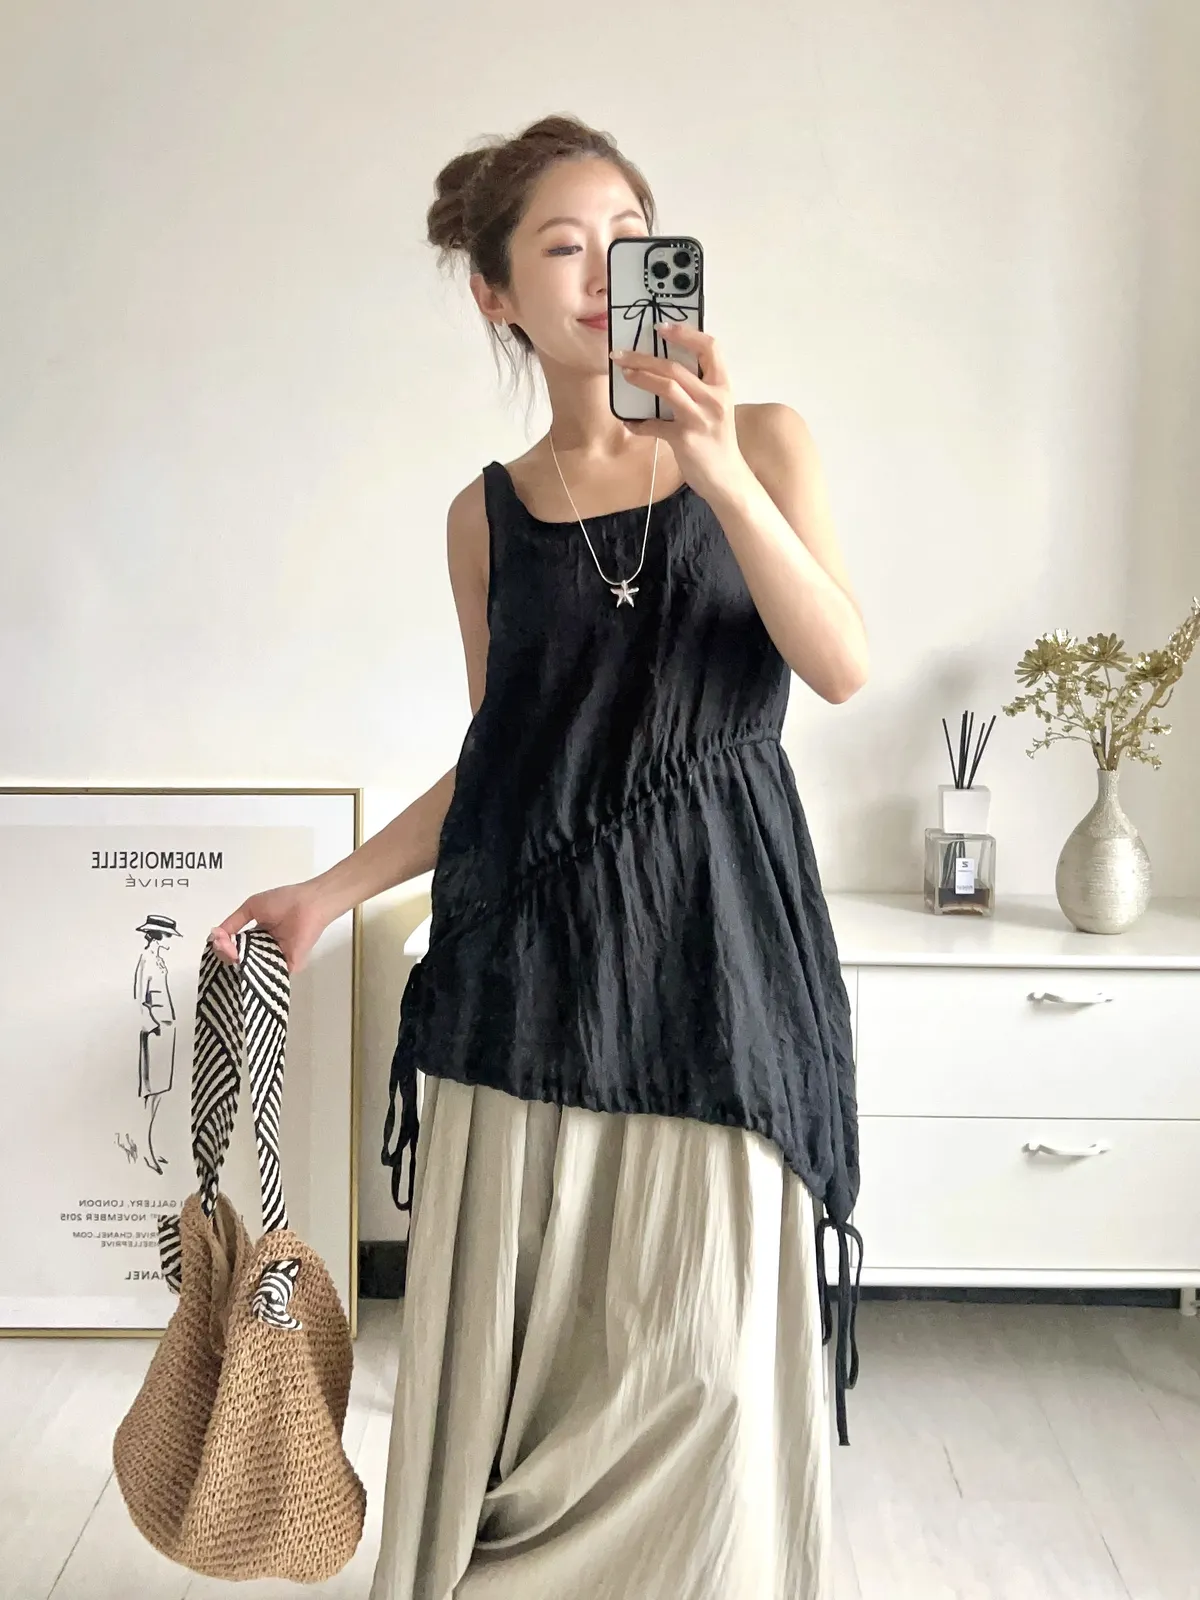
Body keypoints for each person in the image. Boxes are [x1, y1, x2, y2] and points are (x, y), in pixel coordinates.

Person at [210, 114, 868, 1600]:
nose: (601, 272)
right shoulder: (487, 518)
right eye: (564, 248)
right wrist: (329, 892)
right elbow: (509, 762)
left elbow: (839, 664)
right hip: (528, 964)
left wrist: (719, 471)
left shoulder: (765, 440)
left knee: (702, 1365)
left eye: (627, 238)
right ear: (497, 295)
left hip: (717, 950)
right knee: (538, 1370)